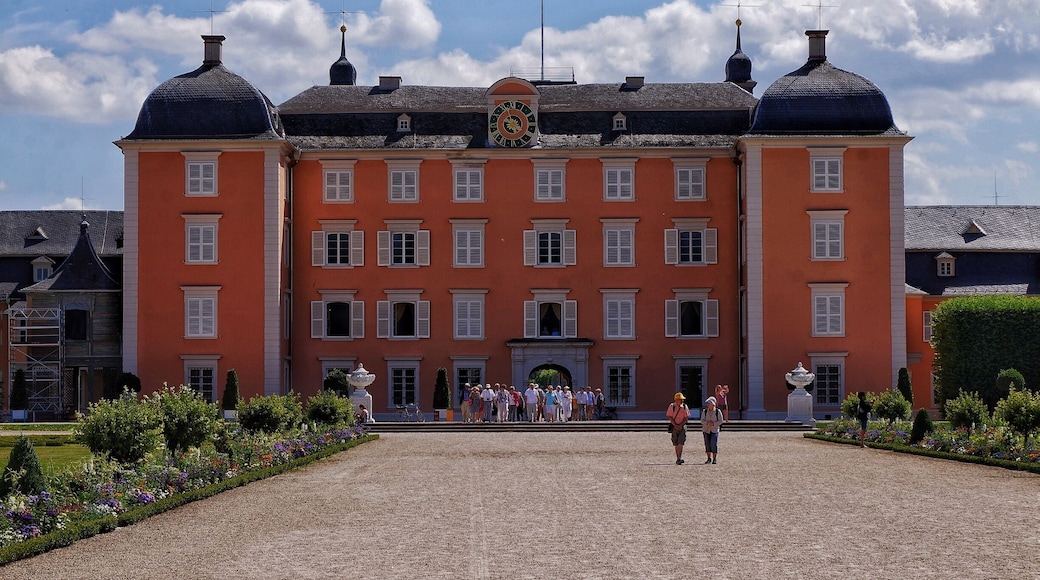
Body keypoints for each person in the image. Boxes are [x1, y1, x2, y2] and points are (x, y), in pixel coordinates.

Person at [666, 393, 690, 465]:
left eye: (682, 399)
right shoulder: (672, 406)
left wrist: (680, 425)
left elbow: (686, 417)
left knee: (681, 442)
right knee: (676, 443)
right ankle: (678, 457)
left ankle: (679, 457)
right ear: (676, 400)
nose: (682, 401)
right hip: (674, 427)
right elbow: (670, 417)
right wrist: (676, 425)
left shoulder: (685, 407)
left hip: (682, 427)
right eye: (680, 399)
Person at [702, 396, 723, 464]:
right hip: (706, 430)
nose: (708, 405)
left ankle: (714, 458)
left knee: (713, 444)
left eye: (709, 403)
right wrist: (707, 423)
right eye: (708, 403)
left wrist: (713, 423)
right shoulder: (704, 411)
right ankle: (708, 458)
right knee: (707, 444)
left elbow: (720, 421)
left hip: (714, 430)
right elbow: (702, 420)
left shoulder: (717, 411)